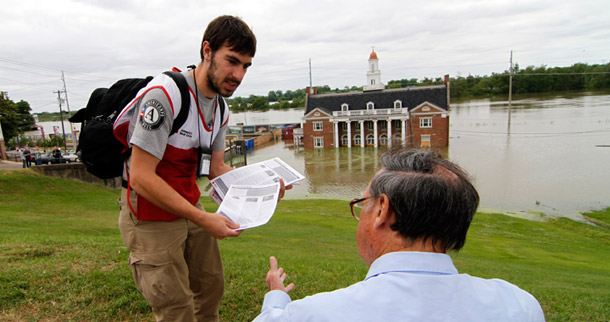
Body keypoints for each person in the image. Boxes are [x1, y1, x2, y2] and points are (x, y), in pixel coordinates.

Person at [116, 15, 281, 322]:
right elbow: (139, 176)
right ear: (207, 51)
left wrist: (266, 187)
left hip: (188, 202)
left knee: (210, 288)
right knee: (175, 306)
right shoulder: (165, 97)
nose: (238, 74)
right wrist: (203, 217)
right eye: (232, 61)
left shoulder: (220, 107)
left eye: (245, 65)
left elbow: (217, 168)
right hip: (150, 212)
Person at [254, 148, 545, 322]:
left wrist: (277, 297)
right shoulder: (519, 306)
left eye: (363, 204)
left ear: (381, 210)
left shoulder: (315, 314)